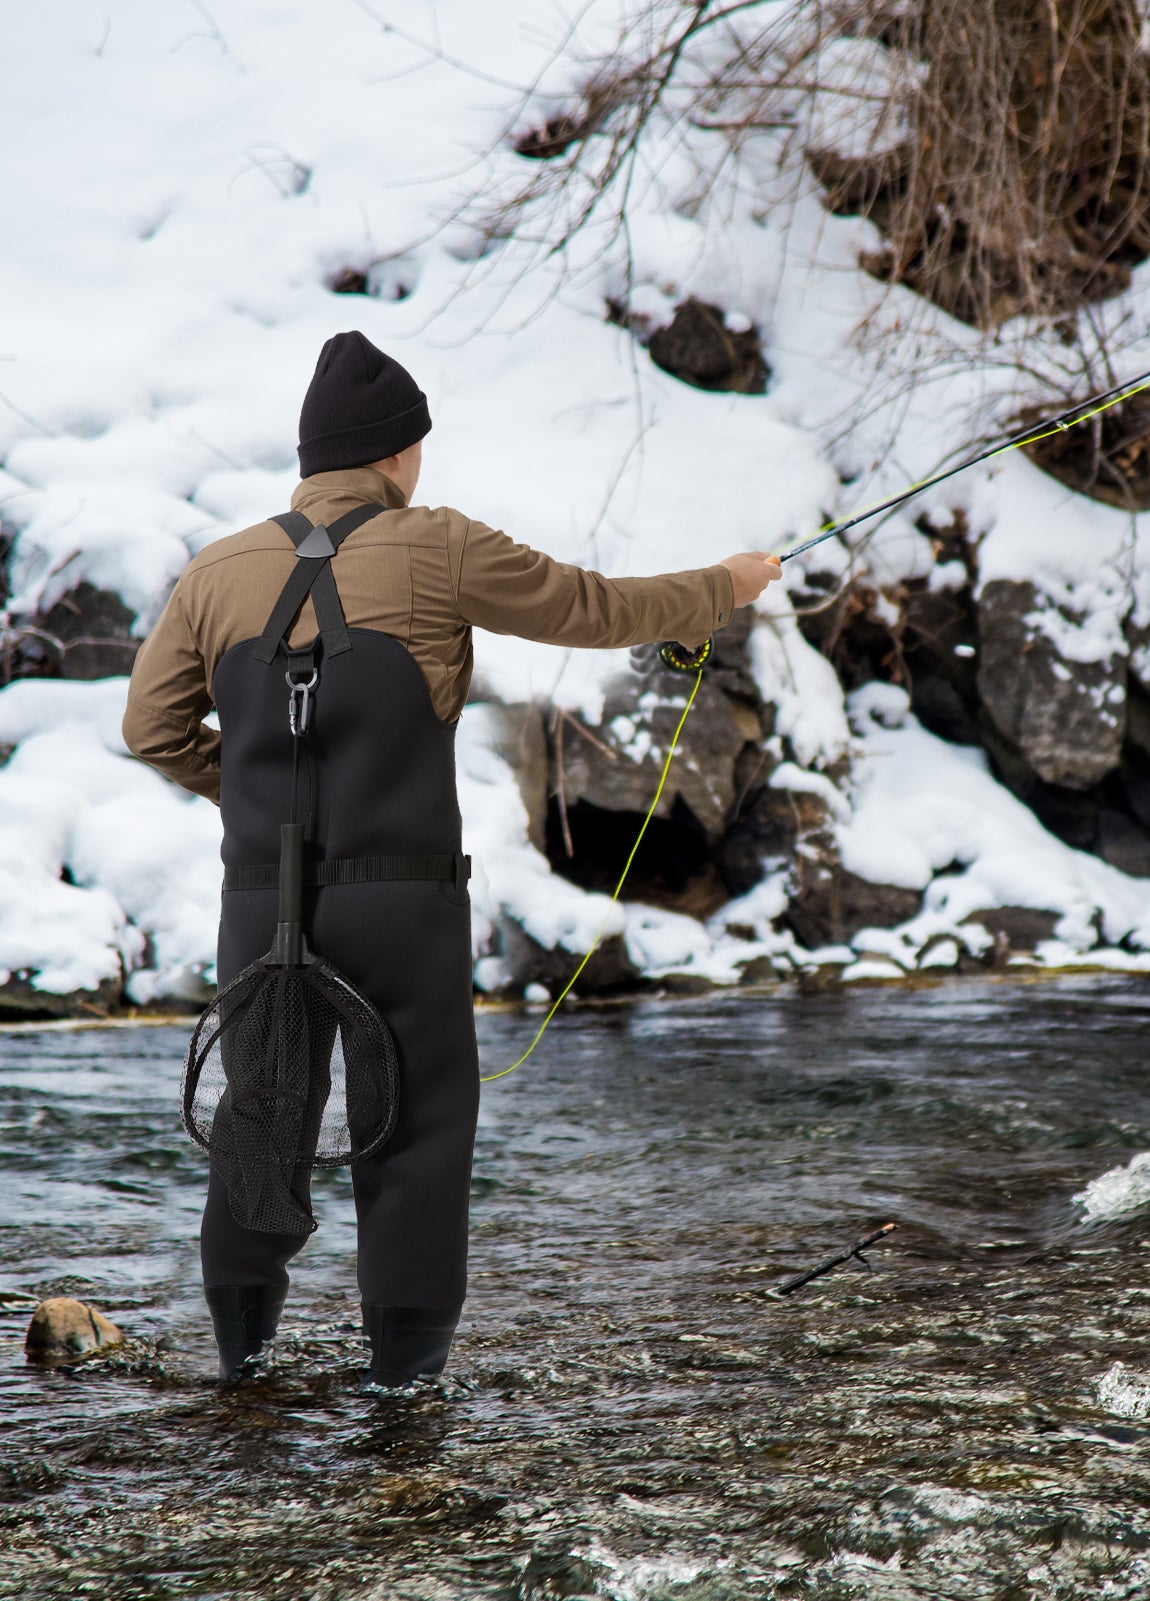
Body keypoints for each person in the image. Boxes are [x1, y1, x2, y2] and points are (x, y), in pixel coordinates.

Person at [123, 330, 781, 1386]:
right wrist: (727, 584)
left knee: (262, 1126)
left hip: (260, 906)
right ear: (396, 453)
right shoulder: (437, 545)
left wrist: (250, 792)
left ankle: (240, 1373)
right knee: (416, 1132)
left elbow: (151, 730)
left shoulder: (213, 572)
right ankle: (405, 1391)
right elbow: (599, 609)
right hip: (400, 907)